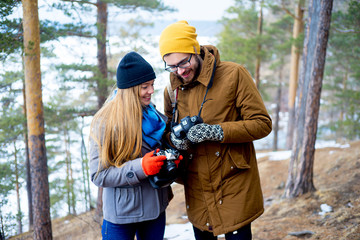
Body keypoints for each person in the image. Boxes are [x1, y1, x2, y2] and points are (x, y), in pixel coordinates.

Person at [158, 20, 272, 240]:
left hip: (233, 183)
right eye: (172, 66)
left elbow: (262, 124)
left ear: (195, 50)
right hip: (197, 187)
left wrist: (216, 132)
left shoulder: (234, 75)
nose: (180, 71)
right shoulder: (172, 91)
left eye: (184, 62)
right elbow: (169, 135)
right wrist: (176, 141)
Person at [88, 51, 182, 240]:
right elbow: (98, 174)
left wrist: (170, 159)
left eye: (152, 85)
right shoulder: (105, 122)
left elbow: (158, 150)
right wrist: (140, 168)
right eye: (145, 86)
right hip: (122, 216)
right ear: (130, 90)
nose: (151, 91)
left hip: (156, 208)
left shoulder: (152, 114)